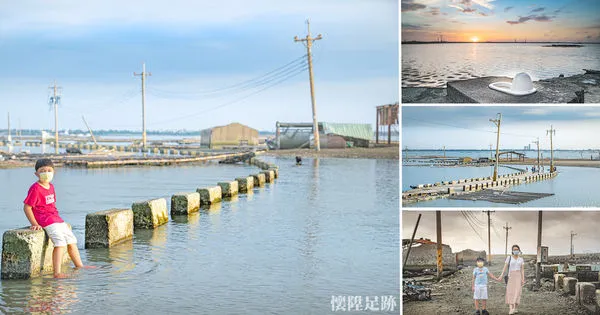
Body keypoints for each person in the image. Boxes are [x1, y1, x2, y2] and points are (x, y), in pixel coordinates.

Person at [23, 159, 93, 278]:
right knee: (59, 243)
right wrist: (34, 223)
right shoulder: (35, 188)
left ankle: (79, 265)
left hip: (56, 218)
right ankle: (57, 273)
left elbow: (52, 205)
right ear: (36, 174)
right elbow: (27, 207)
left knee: (72, 241)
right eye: (42, 171)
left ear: (54, 172)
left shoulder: (51, 187)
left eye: (49, 170)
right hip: (45, 220)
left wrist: (58, 218)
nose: (46, 173)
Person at [498, 244, 525, 314]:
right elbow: (505, 267)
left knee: (518, 292)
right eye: (514, 249)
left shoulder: (521, 259)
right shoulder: (509, 258)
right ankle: (511, 308)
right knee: (510, 292)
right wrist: (501, 275)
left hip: (518, 276)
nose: (516, 251)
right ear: (512, 251)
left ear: (519, 250)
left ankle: (515, 307)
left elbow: (522, 270)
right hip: (511, 276)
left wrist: (523, 279)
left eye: (517, 249)